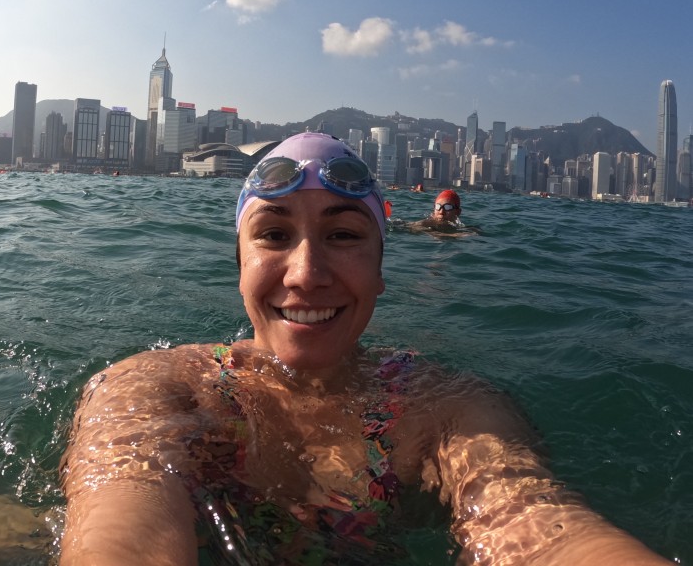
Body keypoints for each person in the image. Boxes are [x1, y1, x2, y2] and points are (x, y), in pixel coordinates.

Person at [59, 133, 667, 566]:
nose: (306, 273)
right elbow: (123, 531)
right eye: (273, 234)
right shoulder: (155, 388)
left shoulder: (446, 410)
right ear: (239, 265)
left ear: (379, 269)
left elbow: (542, 531)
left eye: (343, 235)